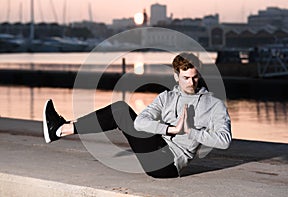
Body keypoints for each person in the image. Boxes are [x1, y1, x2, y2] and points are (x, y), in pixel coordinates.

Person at [43, 52, 232, 178]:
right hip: (157, 146)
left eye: (195, 77)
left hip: (168, 165)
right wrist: (171, 129)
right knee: (119, 110)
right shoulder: (166, 97)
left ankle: (60, 128)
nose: (191, 83)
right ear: (176, 76)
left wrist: (190, 131)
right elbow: (141, 123)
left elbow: (225, 140)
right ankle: (62, 128)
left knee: (119, 111)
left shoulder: (213, 104)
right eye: (186, 78)